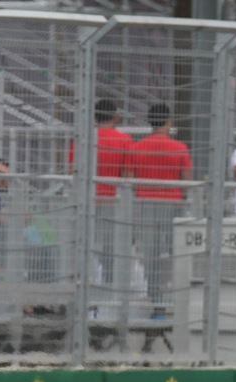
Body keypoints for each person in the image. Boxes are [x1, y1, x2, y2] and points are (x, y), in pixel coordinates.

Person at [129, 102, 191, 320]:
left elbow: (129, 179)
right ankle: (178, 299)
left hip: (146, 206)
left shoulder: (136, 148)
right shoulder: (180, 148)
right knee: (175, 253)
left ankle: (158, 304)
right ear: (168, 122)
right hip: (173, 206)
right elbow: (186, 182)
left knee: (151, 256)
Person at [70, 98, 132, 287]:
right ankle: (109, 280)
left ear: (95, 117)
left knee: (83, 241)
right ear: (115, 117)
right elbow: (128, 174)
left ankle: (82, 280)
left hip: (86, 200)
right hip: (113, 201)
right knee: (111, 244)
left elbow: (73, 169)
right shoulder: (125, 141)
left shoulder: (83, 140)